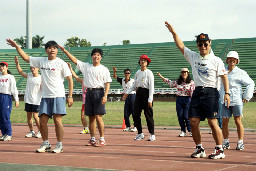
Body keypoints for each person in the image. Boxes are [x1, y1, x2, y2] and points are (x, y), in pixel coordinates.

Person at [165, 21, 230, 159]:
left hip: (211, 92)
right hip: (197, 91)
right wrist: (174, 33)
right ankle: (199, 148)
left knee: (213, 122)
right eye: (200, 44)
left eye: (205, 43)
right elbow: (181, 46)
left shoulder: (216, 60)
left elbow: (224, 77)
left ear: (209, 43)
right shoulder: (193, 56)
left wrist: (227, 93)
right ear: (197, 45)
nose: (203, 46)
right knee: (193, 121)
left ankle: (220, 150)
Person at [6, 39, 73, 153]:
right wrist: (17, 46)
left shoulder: (61, 63)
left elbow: (70, 79)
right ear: (46, 50)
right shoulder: (41, 61)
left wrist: (70, 96)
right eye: (50, 48)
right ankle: (46, 143)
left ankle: (59, 144)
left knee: (57, 121)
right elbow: (26, 58)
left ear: (57, 50)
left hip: (58, 95)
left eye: (54, 48)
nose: (52, 50)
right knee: (42, 121)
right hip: (45, 97)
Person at [60, 47, 112, 147]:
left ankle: (102, 139)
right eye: (94, 54)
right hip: (89, 93)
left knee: (98, 117)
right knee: (91, 117)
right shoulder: (86, 66)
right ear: (92, 56)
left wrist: (105, 95)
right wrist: (65, 51)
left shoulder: (104, 69)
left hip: (99, 92)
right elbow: (74, 60)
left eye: (98, 55)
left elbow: (107, 83)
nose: (96, 56)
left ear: (101, 57)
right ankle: (92, 138)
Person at [220, 51, 255, 151]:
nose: (232, 60)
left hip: (236, 100)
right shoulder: (222, 71)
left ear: (237, 61)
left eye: (234, 59)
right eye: (230, 58)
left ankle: (240, 142)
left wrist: (247, 96)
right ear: (227, 60)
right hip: (224, 100)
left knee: (238, 121)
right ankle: (226, 142)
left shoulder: (241, 72)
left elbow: (250, 83)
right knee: (225, 121)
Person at [123, 55, 155, 141]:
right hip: (138, 93)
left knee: (148, 115)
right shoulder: (137, 73)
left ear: (147, 63)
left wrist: (150, 99)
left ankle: (152, 134)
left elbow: (151, 87)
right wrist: (127, 93)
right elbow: (134, 85)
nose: (143, 62)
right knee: (136, 114)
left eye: (145, 61)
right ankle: (140, 133)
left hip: (146, 93)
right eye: (141, 60)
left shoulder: (149, 73)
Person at [157, 68, 195, 137]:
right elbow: (170, 83)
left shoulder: (191, 82)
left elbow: (192, 92)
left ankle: (190, 130)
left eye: (185, 72)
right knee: (180, 116)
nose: (184, 74)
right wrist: (162, 77)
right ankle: (183, 131)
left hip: (187, 99)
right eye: (182, 72)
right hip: (179, 99)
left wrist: (193, 102)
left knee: (186, 116)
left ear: (188, 73)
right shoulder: (178, 82)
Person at [15, 56, 42, 138]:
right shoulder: (29, 76)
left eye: (34, 67)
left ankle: (40, 131)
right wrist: (17, 63)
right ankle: (31, 131)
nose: (32, 69)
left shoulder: (41, 78)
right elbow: (20, 71)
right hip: (28, 99)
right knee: (29, 116)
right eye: (31, 67)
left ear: (38, 68)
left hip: (37, 100)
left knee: (36, 116)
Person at [67, 62, 89, 134]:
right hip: (84, 102)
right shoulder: (83, 81)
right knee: (82, 116)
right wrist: (70, 68)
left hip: (91, 101)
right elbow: (76, 77)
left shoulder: (93, 82)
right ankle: (86, 128)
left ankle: (93, 128)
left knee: (94, 117)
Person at [113, 66, 137, 132]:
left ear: (130, 74)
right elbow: (115, 77)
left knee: (133, 111)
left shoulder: (133, 81)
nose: (127, 74)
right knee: (126, 112)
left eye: (128, 73)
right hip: (126, 97)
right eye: (126, 73)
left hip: (132, 96)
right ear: (124, 74)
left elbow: (137, 88)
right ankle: (128, 126)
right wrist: (114, 71)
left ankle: (135, 126)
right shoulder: (122, 80)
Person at [0, 61, 19, 141]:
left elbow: (14, 89)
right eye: (0, 66)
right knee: (0, 117)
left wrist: (16, 99)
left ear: (7, 67)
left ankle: (9, 134)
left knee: (5, 116)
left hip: (6, 97)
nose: (1, 68)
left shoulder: (10, 77)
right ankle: (3, 133)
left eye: (3, 66)